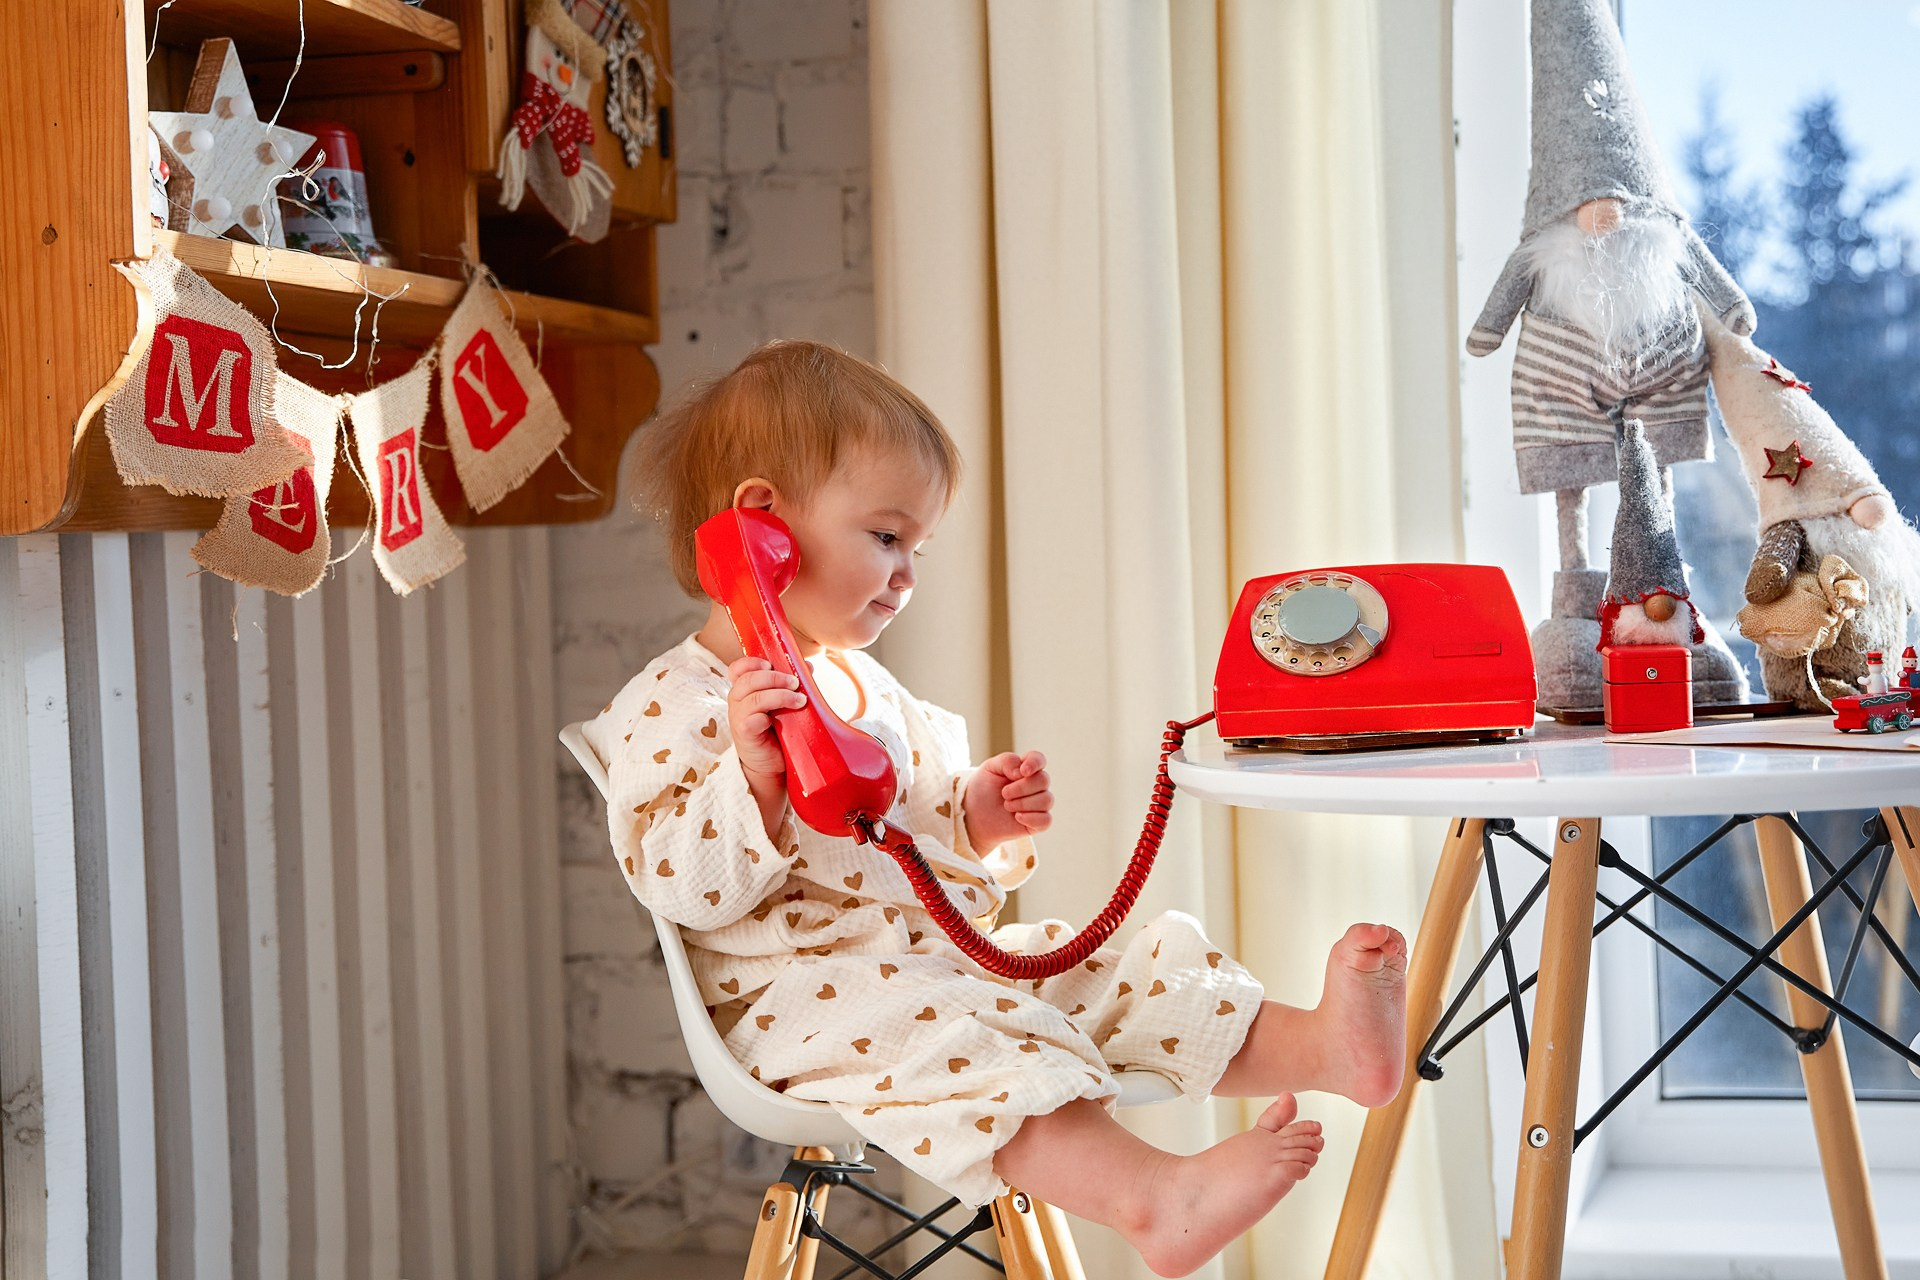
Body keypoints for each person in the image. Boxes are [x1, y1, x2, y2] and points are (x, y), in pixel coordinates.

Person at [586, 340, 1407, 1278]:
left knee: (1095, 964)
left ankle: (1321, 1046)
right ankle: (1154, 1198)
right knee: (955, 1034)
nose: (905, 576)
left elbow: (924, 855)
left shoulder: (867, 693)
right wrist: (753, 778)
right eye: (887, 537)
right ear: (760, 530)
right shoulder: (667, 708)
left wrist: (976, 818)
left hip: (938, 961)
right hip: (800, 1004)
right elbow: (680, 887)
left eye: (918, 550)